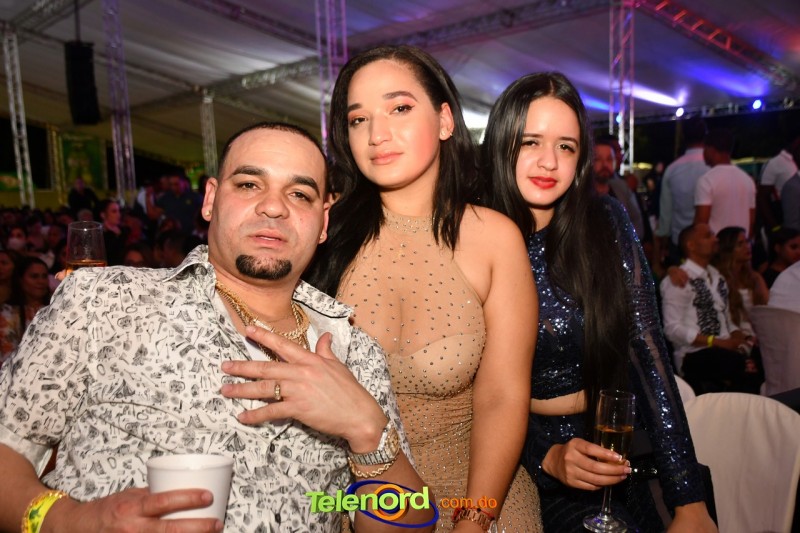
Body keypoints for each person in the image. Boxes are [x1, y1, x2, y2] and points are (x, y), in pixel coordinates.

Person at [0, 122, 433, 532]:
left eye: (299, 194)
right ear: (210, 199)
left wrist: (366, 430)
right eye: (248, 184)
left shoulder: (355, 352)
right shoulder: (107, 299)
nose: (274, 206)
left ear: (323, 222)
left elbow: (413, 523)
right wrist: (66, 521)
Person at [305, 45, 541, 532]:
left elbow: (502, 396)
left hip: (479, 489)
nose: (377, 134)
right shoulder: (322, 233)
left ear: (445, 120)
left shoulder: (494, 237)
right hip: (356, 498)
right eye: (358, 119)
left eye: (399, 108)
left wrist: (473, 520)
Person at [481, 72, 715, 532]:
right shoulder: (475, 235)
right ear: (501, 143)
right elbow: (465, 393)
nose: (549, 162)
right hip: (518, 463)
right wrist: (545, 454)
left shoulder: (604, 220)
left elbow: (647, 350)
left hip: (618, 452)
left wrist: (688, 498)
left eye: (566, 147)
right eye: (530, 142)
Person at [661, 224, 761, 395]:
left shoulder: (717, 277)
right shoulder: (679, 278)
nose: (715, 239)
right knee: (743, 367)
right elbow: (672, 329)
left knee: (763, 355)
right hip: (693, 354)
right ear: (691, 245)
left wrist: (743, 336)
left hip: (722, 348)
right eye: (708, 236)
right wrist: (715, 342)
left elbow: (726, 321)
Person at [655, 116, 710, 270]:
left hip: (680, 243)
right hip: (709, 241)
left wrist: (662, 243)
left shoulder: (672, 169)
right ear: (705, 136)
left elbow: (666, 213)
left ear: (683, 137)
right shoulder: (712, 167)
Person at [694, 129, 756, 237]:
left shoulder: (706, 180)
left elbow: (701, 223)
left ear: (711, 150)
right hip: (740, 243)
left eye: (704, 149)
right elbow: (751, 221)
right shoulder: (747, 180)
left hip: (716, 243)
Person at [712, 226, 769, 337]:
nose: (747, 247)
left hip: (758, 332)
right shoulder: (718, 278)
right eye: (740, 244)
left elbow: (767, 306)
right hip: (731, 334)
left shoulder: (755, 277)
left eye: (747, 242)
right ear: (728, 249)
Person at [0, 255, 51, 365]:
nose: (41, 281)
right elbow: (8, 354)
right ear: (20, 280)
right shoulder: (7, 313)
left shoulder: (56, 309)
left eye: (44, 276)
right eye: (34, 276)